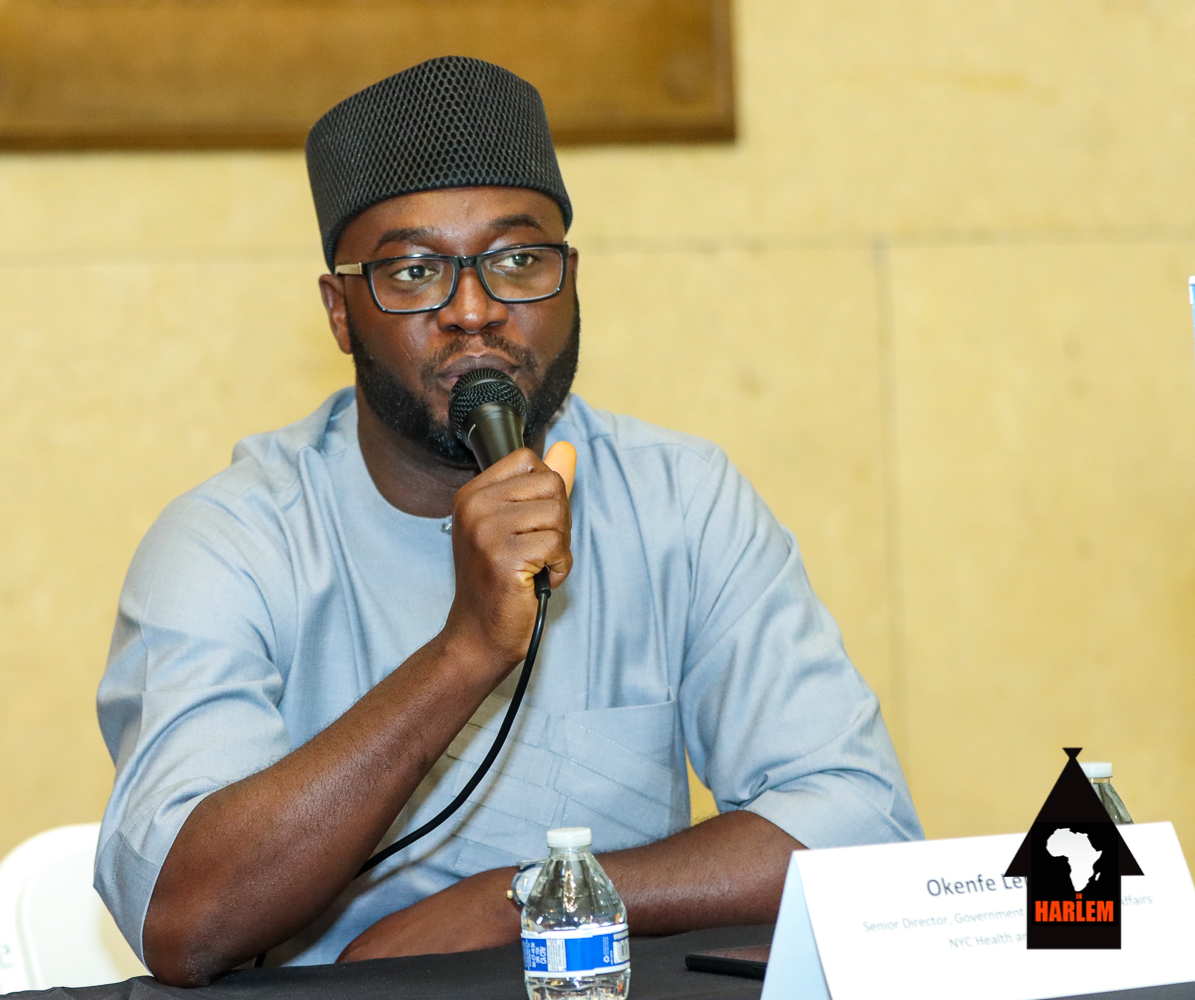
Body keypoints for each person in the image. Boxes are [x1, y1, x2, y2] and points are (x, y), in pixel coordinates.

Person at [94, 56, 921, 988]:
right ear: (340, 312)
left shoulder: (679, 500)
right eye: (414, 272)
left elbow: (863, 829)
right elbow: (186, 922)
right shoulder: (228, 545)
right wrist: (467, 650)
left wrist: (526, 899)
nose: (475, 311)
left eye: (518, 261)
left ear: (572, 281)